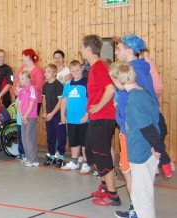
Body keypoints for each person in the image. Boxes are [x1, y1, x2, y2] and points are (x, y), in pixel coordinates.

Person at [110, 61, 168, 218]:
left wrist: (158, 148)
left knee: (141, 197)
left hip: (140, 153)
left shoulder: (133, 100)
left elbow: (147, 127)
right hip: (147, 150)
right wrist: (156, 146)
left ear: (118, 80)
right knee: (144, 193)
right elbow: (159, 121)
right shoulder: (145, 92)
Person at [80, 34, 120, 206]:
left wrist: (97, 107)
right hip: (96, 117)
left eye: (81, 47)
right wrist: (90, 112)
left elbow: (110, 89)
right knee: (91, 152)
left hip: (104, 118)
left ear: (88, 49)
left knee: (102, 155)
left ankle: (113, 195)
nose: (80, 50)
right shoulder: (95, 67)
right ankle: (104, 186)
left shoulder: (98, 67)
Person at [60, 60, 90, 173]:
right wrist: (63, 115)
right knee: (73, 141)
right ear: (70, 71)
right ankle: (74, 161)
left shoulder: (86, 83)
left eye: (78, 70)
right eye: (73, 71)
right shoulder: (67, 85)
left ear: (82, 69)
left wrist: (87, 115)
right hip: (71, 119)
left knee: (84, 142)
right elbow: (64, 100)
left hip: (83, 119)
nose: (76, 73)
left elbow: (91, 100)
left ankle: (86, 162)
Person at [41, 64, 66, 167]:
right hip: (48, 115)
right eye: (45, 71)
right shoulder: (45, 85)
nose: (45, 73)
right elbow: (44, 100)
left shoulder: (58, 85)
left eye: (48, 71)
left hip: (57, 115)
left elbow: (60, 101)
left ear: (54, 73)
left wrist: (52, 113)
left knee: (60, 136)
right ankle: (51, 156)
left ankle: (60, 157)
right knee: (50, 136)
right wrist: (45, 112)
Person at [17, 71, 39, 167]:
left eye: (22, 78)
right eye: (20, 78)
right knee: (24, 138)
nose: (20, 81)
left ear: (28, 79)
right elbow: (20, 104)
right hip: (24, 117)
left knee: (30, 138)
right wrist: (22, 116)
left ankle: (33, 160)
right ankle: (28, 157)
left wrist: (26, 115)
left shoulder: (32, 89)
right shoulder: (22, 90)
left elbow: (32, 104)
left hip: (31, 117)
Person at [13, 49, 44, 114]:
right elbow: (15, 81)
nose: (22, 58)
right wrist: (15, 91)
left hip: (34, 101)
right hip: (22, 99)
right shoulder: (21, 68)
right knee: (21, 121)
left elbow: (39, 86)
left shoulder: (38, 70)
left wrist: (23, 90)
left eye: (23, 56)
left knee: (30, 121)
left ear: (27, 57)